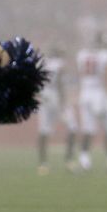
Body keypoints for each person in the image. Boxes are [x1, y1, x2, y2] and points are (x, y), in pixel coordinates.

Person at [75, 32, 107, 174]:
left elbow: (82, 74)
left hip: (85, 94)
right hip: (101, 94)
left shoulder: (82, 54)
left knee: (88, 130)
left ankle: (84, 162)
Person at [36, 46, 77, 174]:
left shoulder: (43, 63)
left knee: (44, 130)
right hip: (56, 97)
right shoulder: (60, 64)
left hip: (45, 97)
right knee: (72, 127)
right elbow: (59, 82)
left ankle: (43, 164)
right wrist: (63, 102)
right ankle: (69, 161)